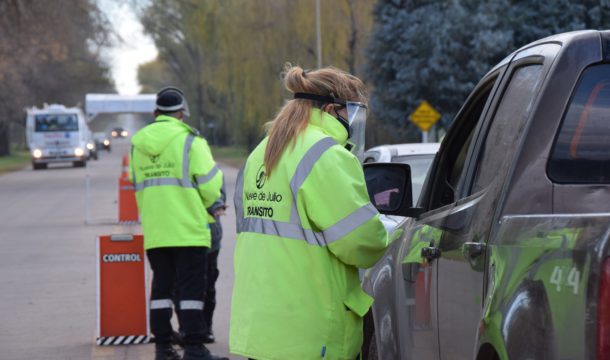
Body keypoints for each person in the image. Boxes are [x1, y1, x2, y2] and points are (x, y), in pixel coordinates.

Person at [230, 65, 390, 360]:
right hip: (310, 333)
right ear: (330, 109)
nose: (353, 121)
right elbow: (363, 245)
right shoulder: (326, 155)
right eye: (351, 112)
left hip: (261, 328)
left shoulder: (260, 154)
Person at [130, 87, 228, 360]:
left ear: (156, 113)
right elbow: (210, 184)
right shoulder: (190, 141)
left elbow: (134, 182)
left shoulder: (138, 144)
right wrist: (214, 205)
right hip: (189, 230)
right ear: (182, 114)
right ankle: (194, 347)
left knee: (161, 288)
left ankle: (163, 348)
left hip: (157, 231)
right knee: (191, 291)